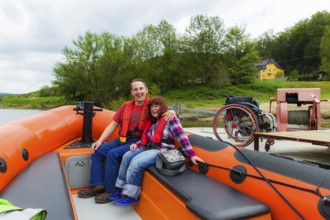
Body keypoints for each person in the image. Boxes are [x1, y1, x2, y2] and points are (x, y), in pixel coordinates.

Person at [78, 79, 175, 203]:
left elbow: (163, 112)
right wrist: (100, 140)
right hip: (122, 139)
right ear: (131, 92)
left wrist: (172, 111)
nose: (138, 92)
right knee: (98, 150)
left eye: (141, 88)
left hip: (139, 142)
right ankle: (98, 186)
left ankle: (110, 190)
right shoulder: (125, 106)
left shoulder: (152, 106)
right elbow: (114, 124)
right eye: (135, 89)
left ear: (146, 90)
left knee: (112, 154)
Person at [108, 96, 203, 206]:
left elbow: (182, 137)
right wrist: (136, 144)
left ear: (162, 107)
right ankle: (119, 189)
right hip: (149, 148)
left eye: (156, 106)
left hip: (162, 151)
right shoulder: (153, 123)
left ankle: (131, 195)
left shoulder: (170, 119)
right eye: (152, 107)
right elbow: (147, 140)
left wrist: (191, 155)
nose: (153, 109)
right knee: (127, 156)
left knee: (136, 162)